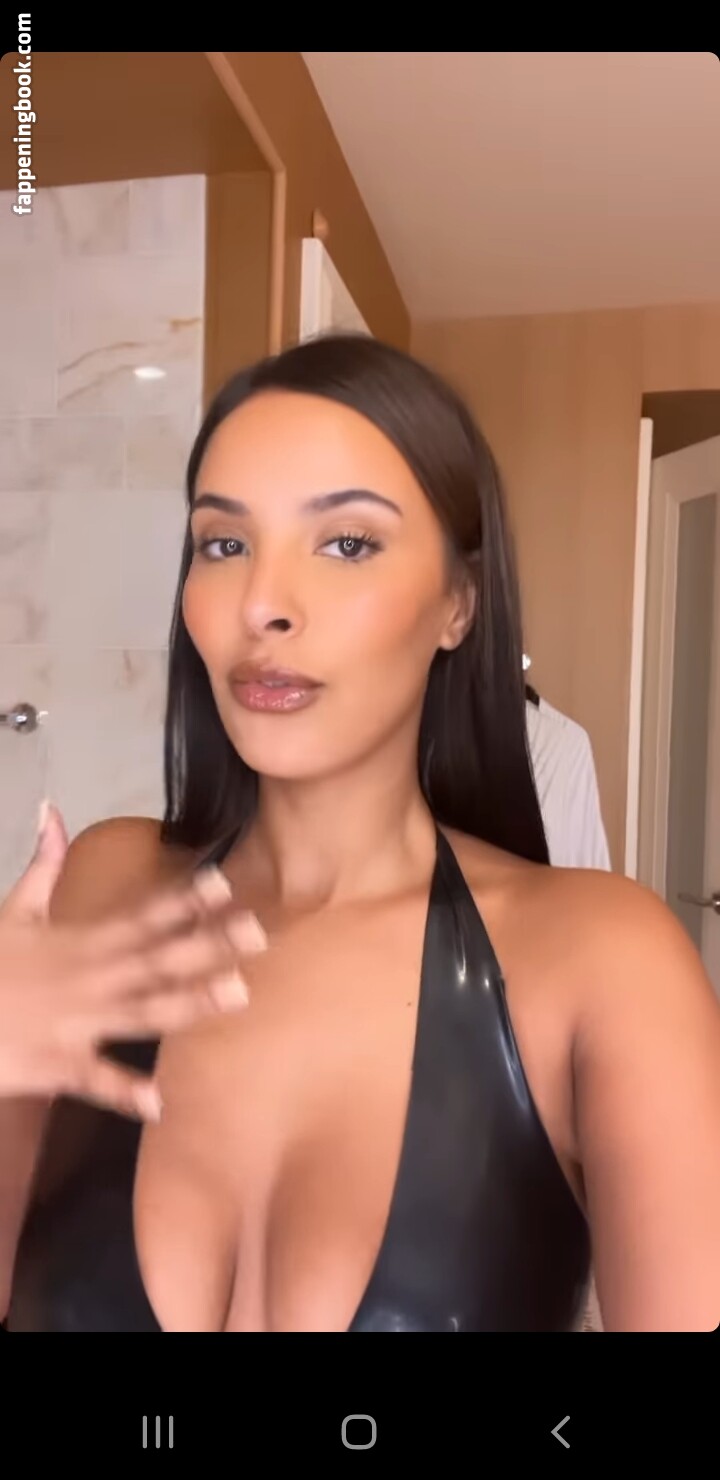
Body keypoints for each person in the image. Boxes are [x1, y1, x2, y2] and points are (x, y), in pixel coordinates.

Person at [3, 334, 719, 1333]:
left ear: (460, 604)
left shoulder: (607, 962)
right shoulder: (101, 885)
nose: (263, 604)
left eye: (346, 543)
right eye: (224, 544)